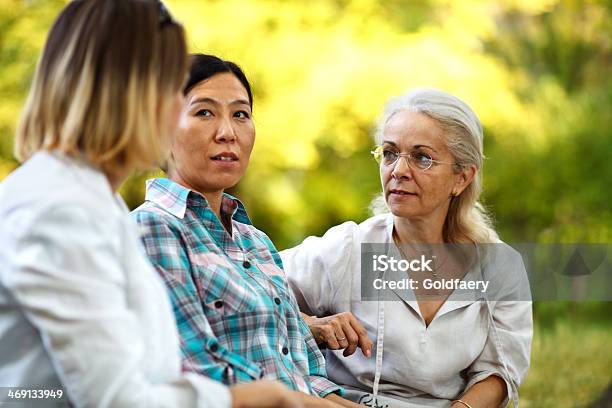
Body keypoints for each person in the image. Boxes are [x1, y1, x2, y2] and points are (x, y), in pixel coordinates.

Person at [0, 2, 301, 407]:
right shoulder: (60, 211)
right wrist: (247, 399)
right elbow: (116, 399)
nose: (179, 109)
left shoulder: (91, 202)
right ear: (121, 91)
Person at [131, 54, 359, 408]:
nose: (228, 133)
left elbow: (308, 376)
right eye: (204, 112)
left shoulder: (256, 242)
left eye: (241, 114)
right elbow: (203, 374)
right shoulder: (153, 229)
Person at [281, 88, 533, 408]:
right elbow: (250, 291)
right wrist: (314, 326)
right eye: (389, 153)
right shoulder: (348, 248)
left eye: (422, 157)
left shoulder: (500, 267)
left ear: (462, 178)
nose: (398, 170)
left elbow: (499, 371)